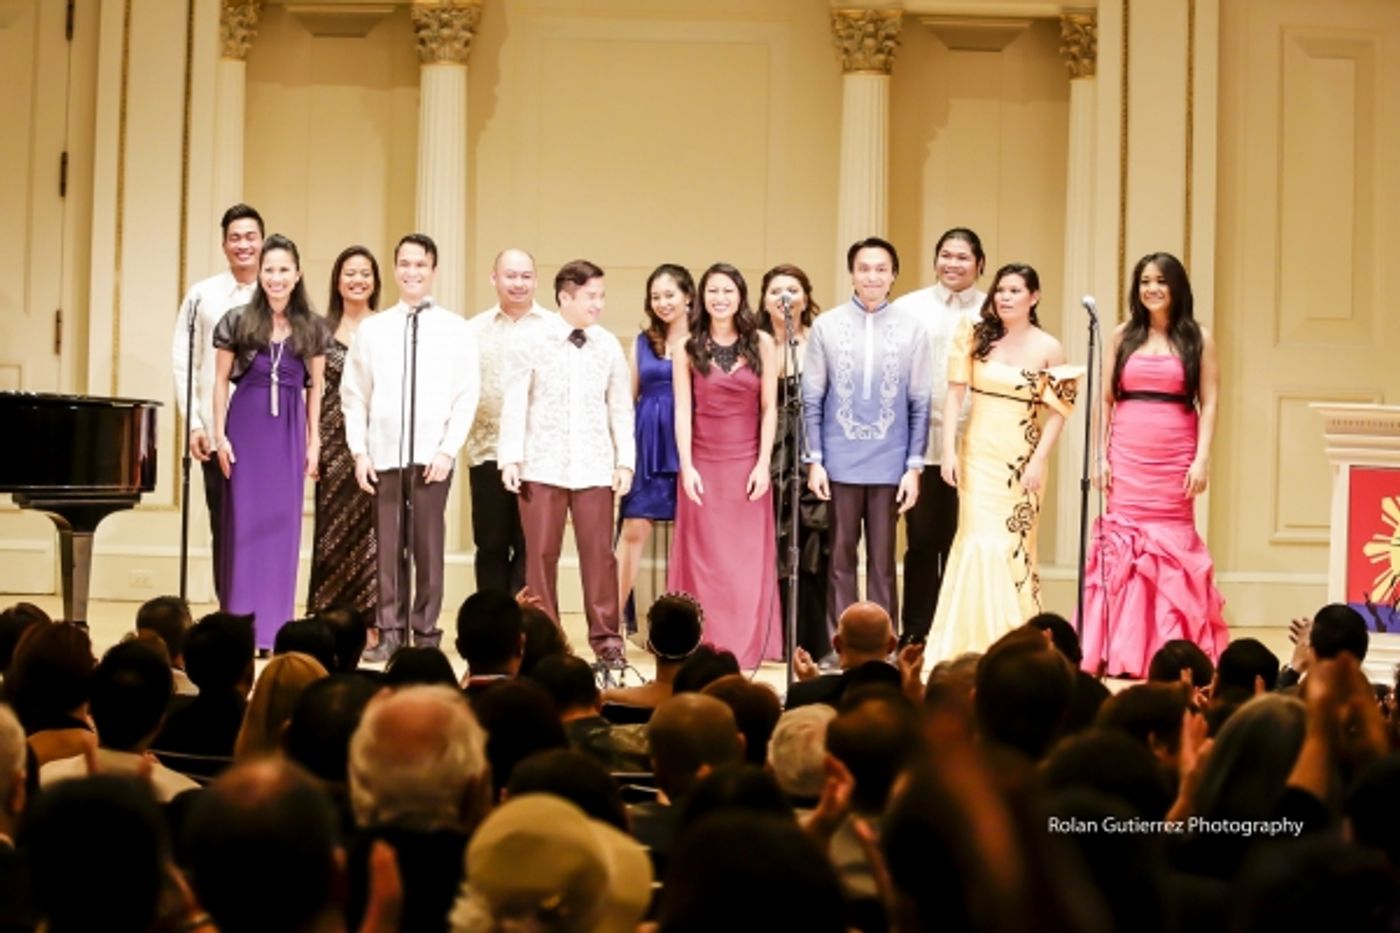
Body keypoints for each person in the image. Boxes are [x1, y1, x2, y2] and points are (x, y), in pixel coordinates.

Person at [1078, 251, 1226, 677]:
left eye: (1161, 281)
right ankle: (1120, 650)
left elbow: (1210, 403)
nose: (1152, 288)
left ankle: (1167, 651)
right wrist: (1099, 456)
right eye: (1145, 281)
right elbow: (1104, 401)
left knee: (1169, 546)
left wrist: (1201, 459)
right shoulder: (1123, 335)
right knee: (1124, 546)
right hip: (1128, 449)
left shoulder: (1198, 338)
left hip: (1175, 450)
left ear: (1176, 287)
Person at [928, 263, 1081, 659]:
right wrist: (948, 451)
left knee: (1013, 543)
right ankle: (967, 640)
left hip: (1023, 456)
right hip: (978, 452)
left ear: (1034, 296)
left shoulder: (1049, 347)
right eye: (1000, 290)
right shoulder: (974, 336)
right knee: (977, 538)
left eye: (1015, 290)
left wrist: (1039, 460)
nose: (1005, 297)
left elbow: (1059, 411)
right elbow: (955, 396)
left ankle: (1015, 641)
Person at [341, 233, 480, 657]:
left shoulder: (455, 329)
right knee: (387, 549)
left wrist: (446, 450)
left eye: (420, 264)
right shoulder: (374, 329)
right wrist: (359, 451)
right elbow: (354, 394)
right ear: (396, 268)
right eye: (405, 264)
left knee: (428, 549)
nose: (412, 272)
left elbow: (466, 394)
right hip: (384, 453)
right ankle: (389, 632)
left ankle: (425, 635)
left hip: (431, 458)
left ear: (433, 270)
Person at [499, 259, 634, 669]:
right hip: (542, 463)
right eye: (591, 296)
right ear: (565, 296)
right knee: (539, 555)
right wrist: (511, 456)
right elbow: (515, 400)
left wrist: (624, 461)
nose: (599, 304)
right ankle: (545, 640)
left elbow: (620, 408)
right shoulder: (532, 339)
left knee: (599, 556)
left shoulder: (608, 343)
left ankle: (608, 640)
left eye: (601, 295)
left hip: (594, 465)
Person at [803, 238, 932, 651]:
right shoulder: (827, 326)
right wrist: (816, 460)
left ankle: (882, 649)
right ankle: (841, 647)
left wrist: (914, 466)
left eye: (881, 269)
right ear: (852, 273)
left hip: (891, 464)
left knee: (882, 563)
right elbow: (812, 398)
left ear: (893, 274)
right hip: (838, 462)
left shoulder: (912, 328)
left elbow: (920, 402)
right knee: (839, 560)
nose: (872, 277)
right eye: (864, 268)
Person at [212, 233, 330, 650]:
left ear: (297, 275)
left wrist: (314, 443)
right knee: (243, 528)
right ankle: (240, 633)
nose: (276, 278)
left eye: (284, 270)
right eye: (269, 270)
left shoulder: (313, 327)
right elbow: (220, 381)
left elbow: (316, 389)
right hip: (245, 429)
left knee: (283, 531)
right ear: (259, 274)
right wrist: (219, 435)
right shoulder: (237, 320)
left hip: (288, 434)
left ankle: (275, 630)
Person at [669, 263, 781, 669]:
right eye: (713, 291)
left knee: (745, 561)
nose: (720, 298)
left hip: (747, 464)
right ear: (702, 297)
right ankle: (702, 643)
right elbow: (683, 409)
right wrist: (686, 465)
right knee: (704, 559)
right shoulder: (686, 346)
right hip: (703, 463)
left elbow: (770, 408)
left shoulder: (763, 343)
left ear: (740, 297)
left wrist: (763, 464)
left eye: (728, 291)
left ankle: (744, 645)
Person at [892, 228, 987, 644]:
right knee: (922, 540)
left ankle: (958, 631)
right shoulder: (908, 307)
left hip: (978, 441)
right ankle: (916, 631)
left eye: (963, 257)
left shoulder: (994, 310)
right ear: (935, 262)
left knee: (965, 540)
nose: (953, 263)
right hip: (922, 441)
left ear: (979, 264)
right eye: (945, 255)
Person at [171, 203, 264, 601]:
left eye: (250, 237)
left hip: (266, 428)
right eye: (235, 238)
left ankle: (265, 611)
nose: (243, 245)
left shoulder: (280, 290)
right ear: (224, 244)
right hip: (217, 427)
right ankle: (231, 609)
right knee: (223, 523)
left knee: (264, 523)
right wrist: (194, 422)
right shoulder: (202, 295)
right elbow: (184, 362)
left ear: (262, 241)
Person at [464, 249, 554, 595]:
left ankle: (523, 627)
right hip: (487, 452)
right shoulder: (472, 330)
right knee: (490, 546)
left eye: (526, 276)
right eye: (511, 275)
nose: (519, 283)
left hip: (537, 458)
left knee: (532, 548)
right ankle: (491, 629)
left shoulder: (554, 329)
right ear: (494, 278)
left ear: (536, 279)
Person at [757, 264, 831, 661]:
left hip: (812, 449)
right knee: (772, 542)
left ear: (805, 297)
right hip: (768, 450)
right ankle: (771, 639)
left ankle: (811, 639)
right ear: (764, 301)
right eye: (775, 291)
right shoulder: (755, 343)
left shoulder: (820, 340)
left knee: (813, 540)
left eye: (792, 290)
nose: (784, 297)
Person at [614, 263, 691, 624]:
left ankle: (690, 626)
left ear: (688, 296)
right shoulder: (643, 342)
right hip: (647, 440)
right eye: (655, 296)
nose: (662, 303)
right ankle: (610, 622)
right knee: (634, 527)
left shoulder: (708, 341)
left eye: (670, 295)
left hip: (691, 441)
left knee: (692, 535)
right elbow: (628, 398)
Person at [308, 246, 382, 618]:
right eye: (350, 273)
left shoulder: (386, 327)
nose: (358, 280)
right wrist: (314, 442)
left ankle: (369, 619)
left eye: (365, 273)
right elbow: (313, 390)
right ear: (338, 280)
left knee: (372, 533)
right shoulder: (320, 330)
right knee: (333, 529)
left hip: (376, 440)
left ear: (375, 281)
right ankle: (328, 614)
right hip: (333, 440)